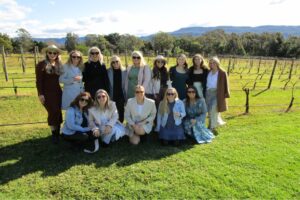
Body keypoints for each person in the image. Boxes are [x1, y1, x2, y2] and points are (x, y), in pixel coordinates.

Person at [35, 45, 63, 144]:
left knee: (58, 112)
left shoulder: (59, 64)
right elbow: (39, 81)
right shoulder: (41, 65)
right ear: (47, 53)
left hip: (58, 92)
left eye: (54, 53)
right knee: (52, 112)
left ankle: (58, 133)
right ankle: (54, 134)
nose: (52, 54)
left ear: (57, 54)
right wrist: (40, 94)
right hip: (47, 93)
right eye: (50, 52)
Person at [206, 56, 230, 131]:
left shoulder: (222, 73)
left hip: (217, 93)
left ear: (217, 63)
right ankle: (212, 124)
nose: (212, 64)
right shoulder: (208, 72)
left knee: (214, 109)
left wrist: (226, 94)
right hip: (208, 93)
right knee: (210, 110)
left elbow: (226, 84)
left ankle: (212, 127)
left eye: (214, 63)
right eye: (211, 63)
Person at [107, 55, 126, 122]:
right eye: (113, 62)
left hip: (121, 94)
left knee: (121, 111)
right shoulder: (108, 71)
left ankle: (121, 125)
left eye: (117, 61)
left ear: (120, 62)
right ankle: (113, 125)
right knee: (113, 112)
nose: (115, 63)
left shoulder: (124, 71)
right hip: (112, 94)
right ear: (111, 63)